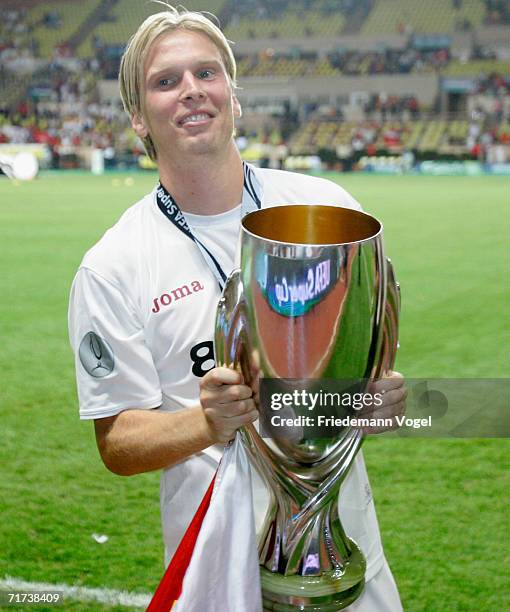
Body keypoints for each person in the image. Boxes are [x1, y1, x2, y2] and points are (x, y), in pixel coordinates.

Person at [68, 4, 406, 610]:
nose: (192, 91)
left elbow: (364, 372)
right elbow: (117, 441)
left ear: (233, 93)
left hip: (344, 539)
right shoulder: (113, 264)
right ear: (138, 118)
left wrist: (374, 403)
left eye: (207, 73)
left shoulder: (322, 208)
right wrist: (208, 422)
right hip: (220, 566)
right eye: (165, 81)